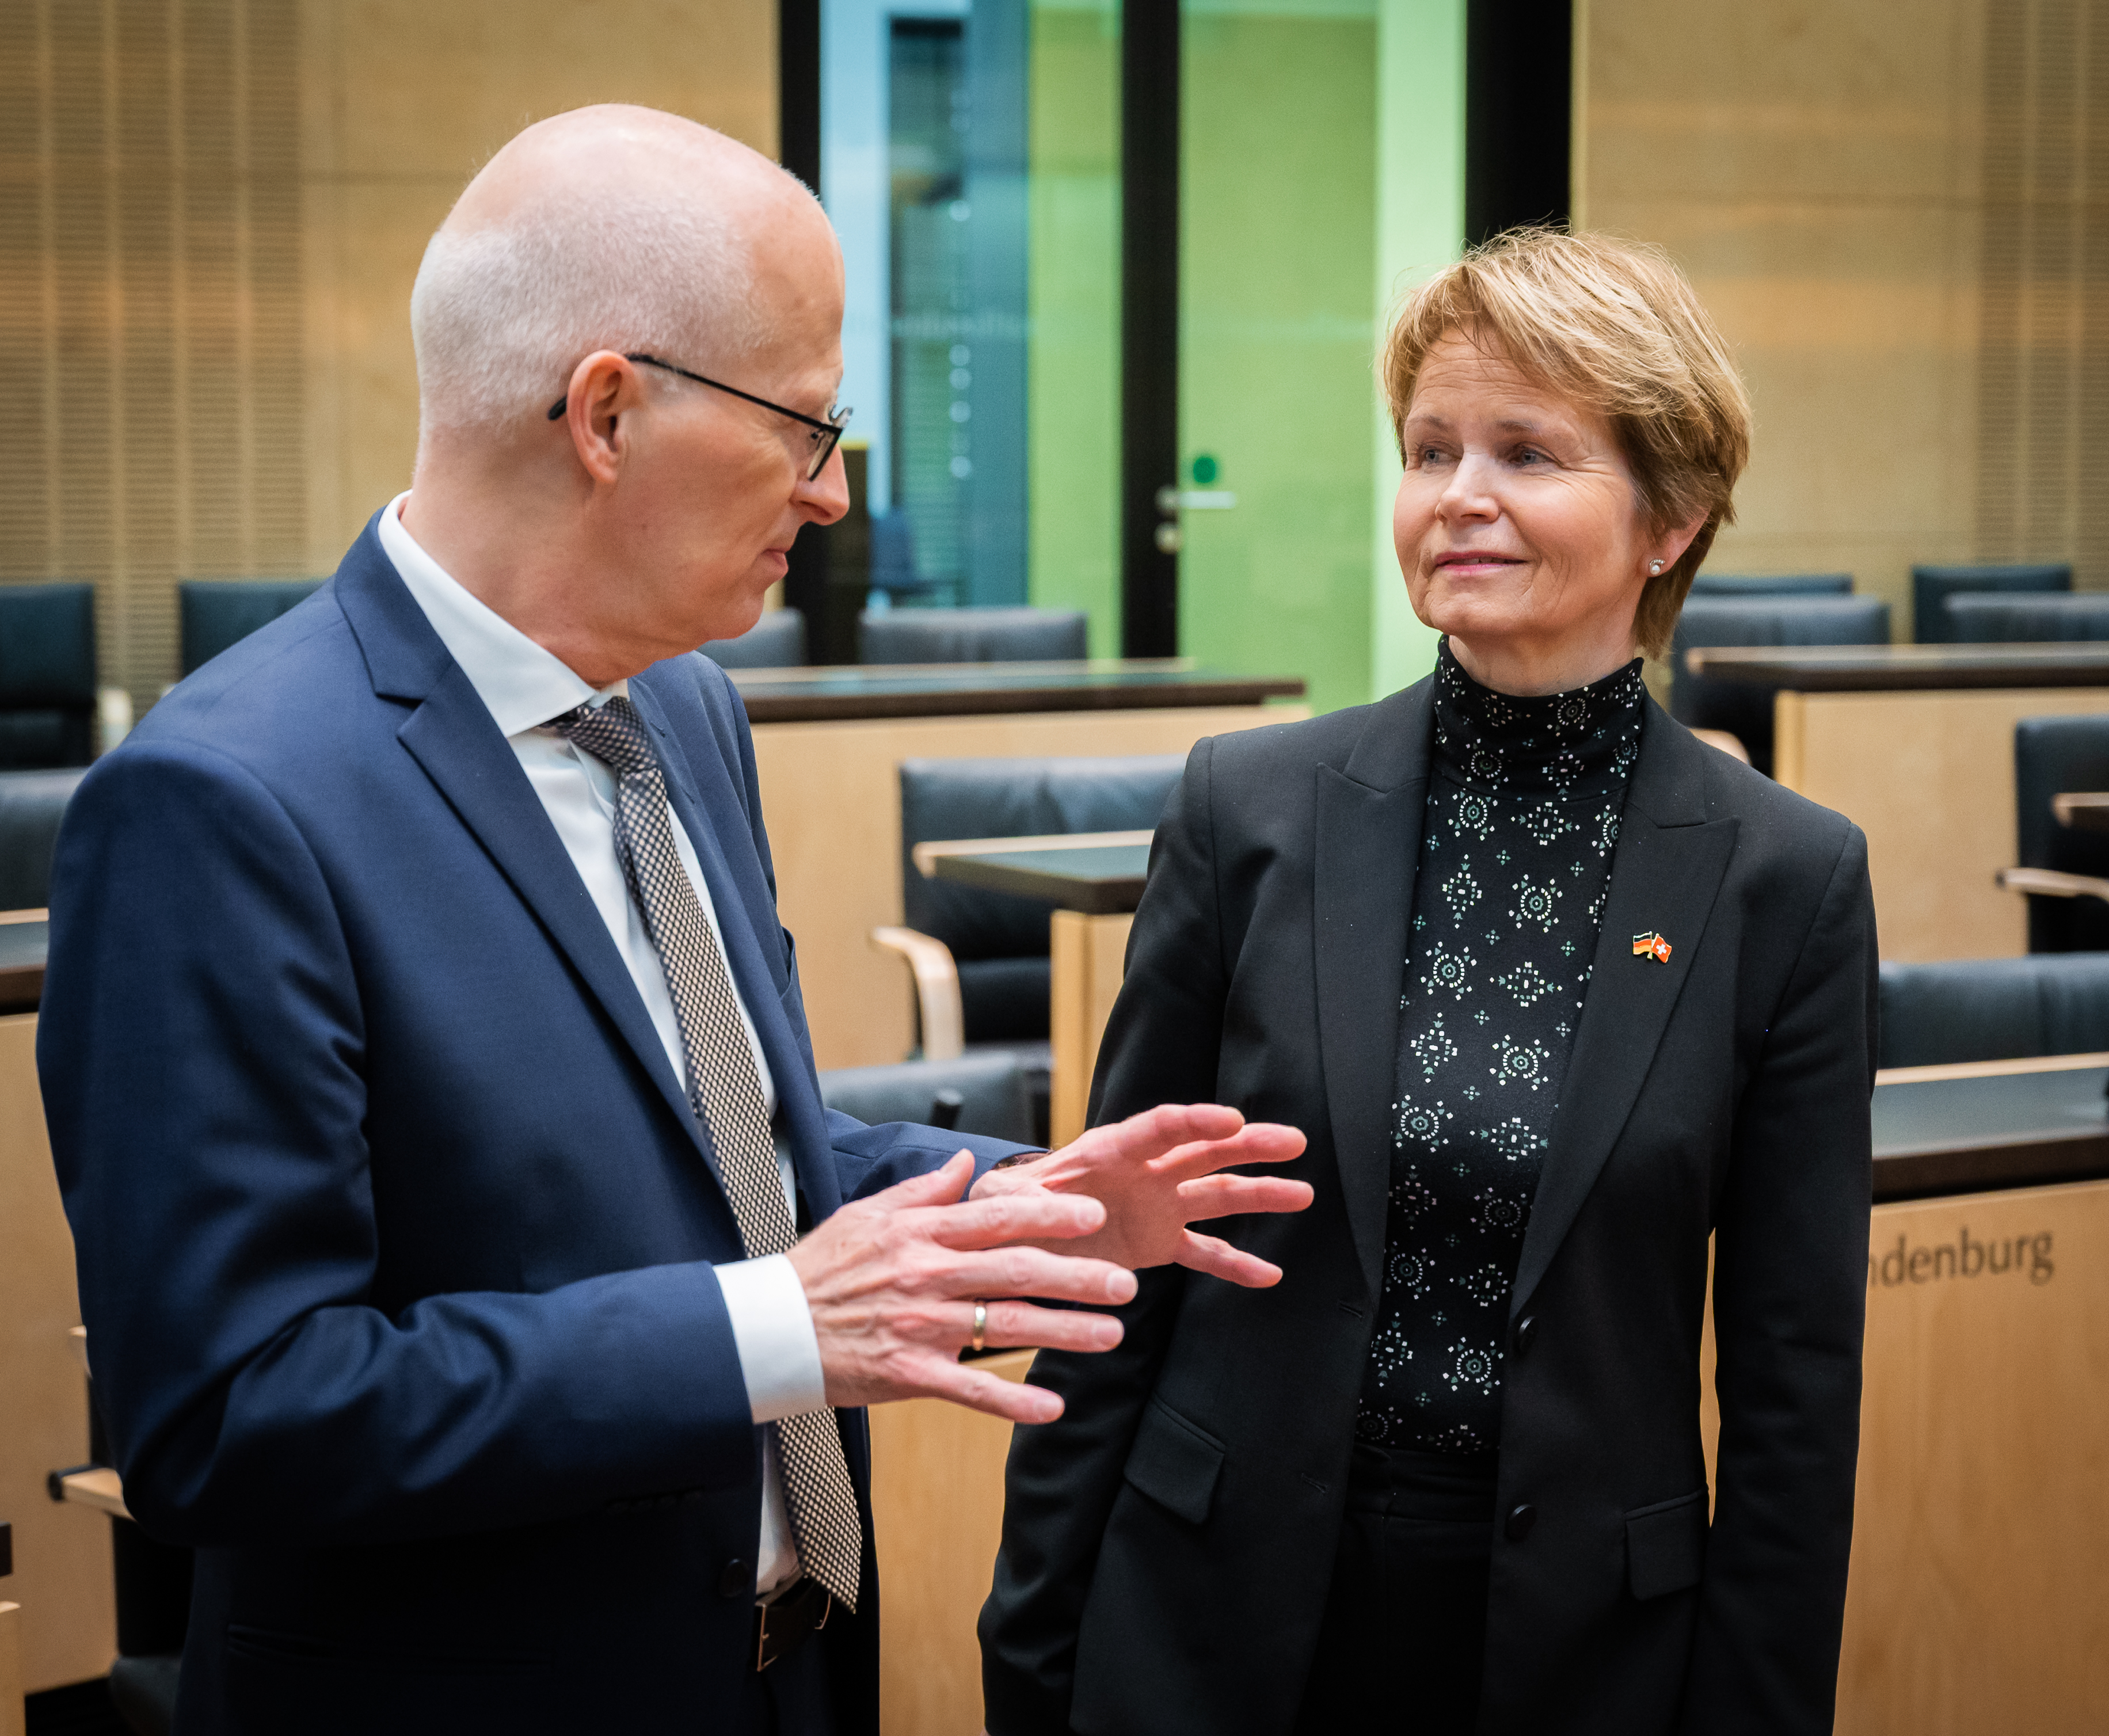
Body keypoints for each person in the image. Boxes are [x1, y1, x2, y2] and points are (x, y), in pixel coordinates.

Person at [39, 106, 1309, 1736]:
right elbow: (233, 1415)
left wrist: (1028, 1200)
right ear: (607, 412)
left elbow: (735, 1151)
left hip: (784, 1675)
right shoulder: (221, 803)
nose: (835, 492)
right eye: (808, 423)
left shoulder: (683, 712)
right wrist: (774, 1327)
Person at [980, 228, 1876, 1735]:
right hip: (1211, 1620)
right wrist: (1034, 1646)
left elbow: (1795, 1385)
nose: (1457, 496)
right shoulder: (1245, 811)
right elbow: (1116, 1257)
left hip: (1579, 1652)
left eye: (1527, 453)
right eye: (1428, 448)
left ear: (1670, 519)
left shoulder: (1782, 877)